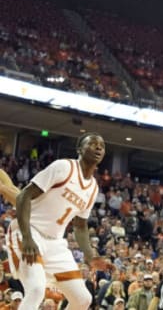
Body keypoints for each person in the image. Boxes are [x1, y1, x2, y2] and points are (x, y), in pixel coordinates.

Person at [6, 132, 110, 310]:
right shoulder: (64, 167)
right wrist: (27, 237)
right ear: (80, 149)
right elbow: (24, 196)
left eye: (102, 145)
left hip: (55, 244)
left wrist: (90, 254)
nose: (99, 147)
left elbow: (80, 225)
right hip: (29, 231)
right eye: (93, 144)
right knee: (36, 289)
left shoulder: (93, 188)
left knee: (83, 299)